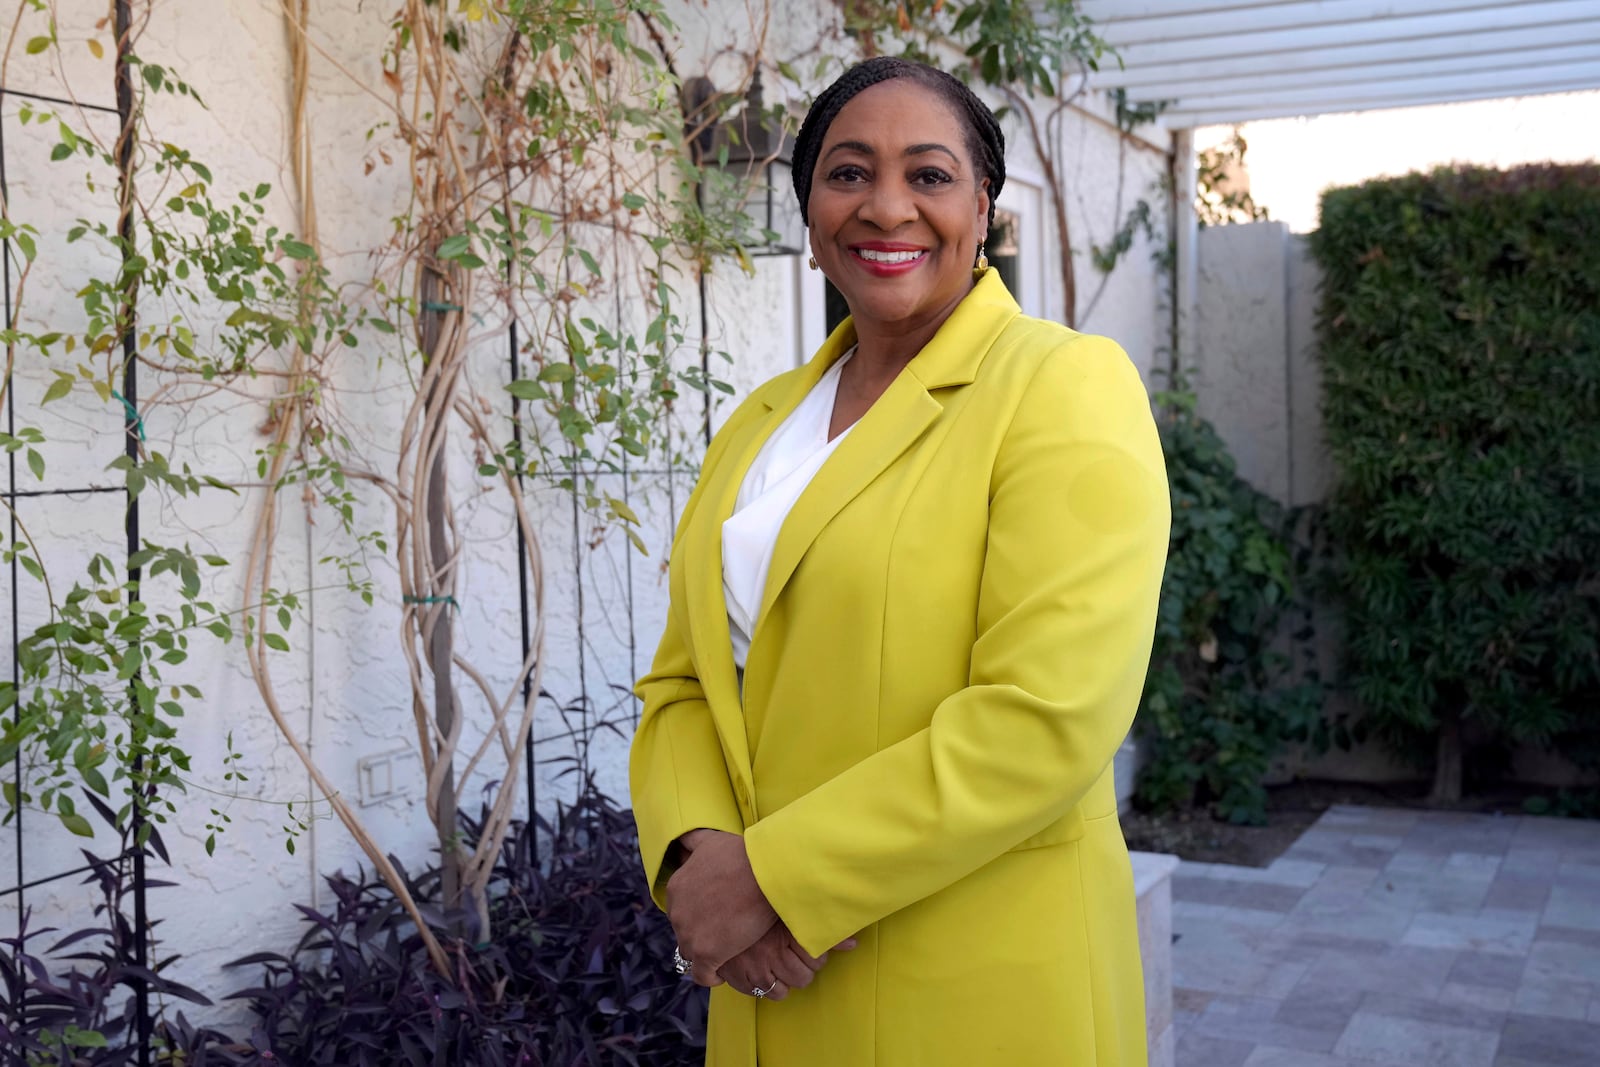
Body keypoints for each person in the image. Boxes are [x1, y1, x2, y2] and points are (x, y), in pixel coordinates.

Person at [630, 55, 1169, 1066]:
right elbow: (682, 684)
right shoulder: (757, 425)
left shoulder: (1059, 386)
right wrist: (698, 855)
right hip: (770, 984)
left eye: (927, 175)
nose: (887, 206)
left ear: (982, 209)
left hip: (972, 985)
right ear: (808, 216)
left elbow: (1046, 715)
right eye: (846, 173)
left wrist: (774, 875)